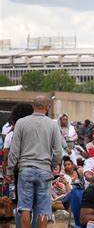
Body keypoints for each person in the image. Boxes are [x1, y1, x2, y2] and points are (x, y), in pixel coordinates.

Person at [7, 95, 63, 228]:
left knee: (25, 207)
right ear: (47, 107)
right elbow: (58, 151)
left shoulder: (21, 122)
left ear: (33, 106)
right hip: (44, 169)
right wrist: (53, 165)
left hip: (25, 168)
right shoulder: (53, 124)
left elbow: (14, 150)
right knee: (43, 208)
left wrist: (10, 169)